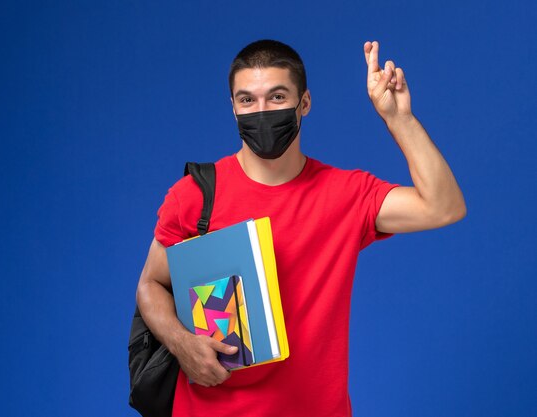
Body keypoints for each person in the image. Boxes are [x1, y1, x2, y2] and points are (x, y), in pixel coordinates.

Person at [135, 39, 466, 416]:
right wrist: (181, 343)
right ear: (233, 107)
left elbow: (444, 207)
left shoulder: (345, 194)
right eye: (247, 100)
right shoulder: (195, 194)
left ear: (303, 103)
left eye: (276, 97)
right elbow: (151, 284)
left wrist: (398, 119)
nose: (261, 111)